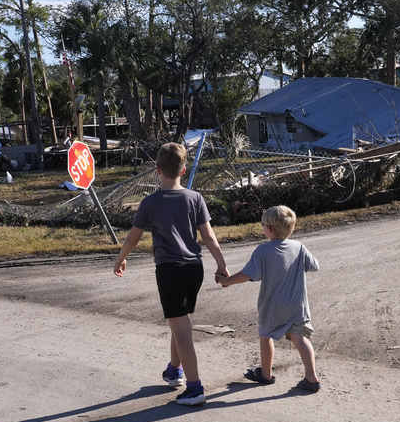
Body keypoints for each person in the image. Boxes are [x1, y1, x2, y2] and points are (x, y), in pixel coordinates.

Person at [113, 142, 228, 406]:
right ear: (184, 170)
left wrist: (121, 260)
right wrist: (222, 265)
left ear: (157, 170)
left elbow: (132, 238)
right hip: (194, 268)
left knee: (182, 329)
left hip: (169, 270)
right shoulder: (195, 197)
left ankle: (195, 388)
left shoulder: (150, 202)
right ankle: (174, 370)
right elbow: (209, 236)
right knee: (181, 321)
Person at [216, 205, 321, 393]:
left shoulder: (263, 251)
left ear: (269, 229)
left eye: (263, 224)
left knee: (265, 337)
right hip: (297, 306)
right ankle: (312, 378)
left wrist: (227, 281)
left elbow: (247, 274)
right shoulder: (299, 247)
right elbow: (314, 266)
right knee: (300, 338)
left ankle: (265, 374)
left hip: (272, 307)